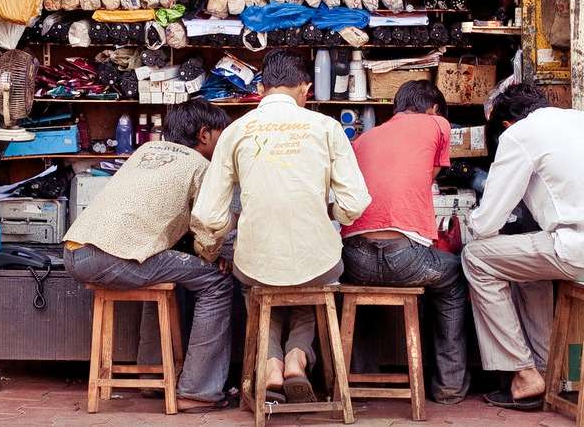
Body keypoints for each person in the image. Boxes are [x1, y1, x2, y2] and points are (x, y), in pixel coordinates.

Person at [191, 50, 371, 403]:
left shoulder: (235, 131)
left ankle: (271, 363)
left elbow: (209, 216)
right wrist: (329, 212)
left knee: (258, 287)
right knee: (312, 282)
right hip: (317, 261)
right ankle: (296, 358)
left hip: (256, 262)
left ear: (261, 88)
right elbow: (355, 203)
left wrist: (221, 238)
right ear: (305, 89)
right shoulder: (327, 128)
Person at [462, 83, 584, 410]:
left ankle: (522, 373)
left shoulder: (518, 135)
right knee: (527, 266)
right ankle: (544, 370)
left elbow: (486, 224)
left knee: (476, 258)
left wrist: (470, 219)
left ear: (506, 124)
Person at [63, 98, 234, 412]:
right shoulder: (201, 166)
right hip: (115, 258)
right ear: (205, 135)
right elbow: (208, 225)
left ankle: (152, 373)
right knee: (215, 283)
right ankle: (197, 391)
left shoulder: (144, 152)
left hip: (75, 251)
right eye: (222, 135)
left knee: (163, 269)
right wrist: (213, 256)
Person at [342, 80, 469, 404]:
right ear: (434, 108)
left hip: (355, 260)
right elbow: (426, 179)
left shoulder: (363, 139)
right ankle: (449, 386)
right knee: (454, 275)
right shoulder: (436, 123)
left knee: (368, 294)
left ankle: (363, 380)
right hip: (405, 259)